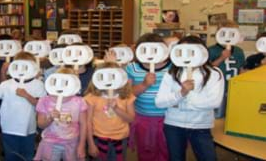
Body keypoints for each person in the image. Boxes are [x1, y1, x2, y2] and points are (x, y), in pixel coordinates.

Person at [155, 36, 224, 161]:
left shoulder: (214, 73)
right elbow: (160, 102)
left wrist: (181, 102)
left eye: (191, 51)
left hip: (201, 126)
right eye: (182, 51)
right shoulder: (171, 73)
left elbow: (214, 102)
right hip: (173, 125)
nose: (186, 55)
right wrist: (181, 93)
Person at [0, 52, 47, 161]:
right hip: (8, 128)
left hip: (29, 128)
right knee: (11, 155)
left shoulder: (38, 84)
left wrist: (27, 96)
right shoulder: (6, 84)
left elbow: (41, 105)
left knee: (27, 155)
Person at [124, 33, 171, 161]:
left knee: (167, 150)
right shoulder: (131, 68)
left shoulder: (173, 68)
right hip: (143, 118)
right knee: (146, 151)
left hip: (169, 118)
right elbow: (126, 95)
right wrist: (144, 85)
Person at [34, 67, 87, 161]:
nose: (62, 86)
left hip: (72, 143)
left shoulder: (79, 102)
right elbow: (40, 124)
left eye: (66, 83)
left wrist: (81, 145)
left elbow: (83, 124)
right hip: (50, 143)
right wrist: (50, 118)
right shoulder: (44, 100)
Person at [85, 62, 135, 161]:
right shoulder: (92, 98)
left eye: (113, 76)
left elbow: (131, 119)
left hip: (120, 139)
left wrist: (116, 109)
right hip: (98, 138)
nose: (109, 80)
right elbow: (88, 122)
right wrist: (90, 143)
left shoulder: (126, 96)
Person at [208, 21, 245, 118]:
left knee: (232, 115)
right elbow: (207, 69)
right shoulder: (211, 50)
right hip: (217, 88)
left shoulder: (239, 51)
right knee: (218, 115)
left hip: (233, 88)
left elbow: (241, 69)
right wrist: (221, 58)